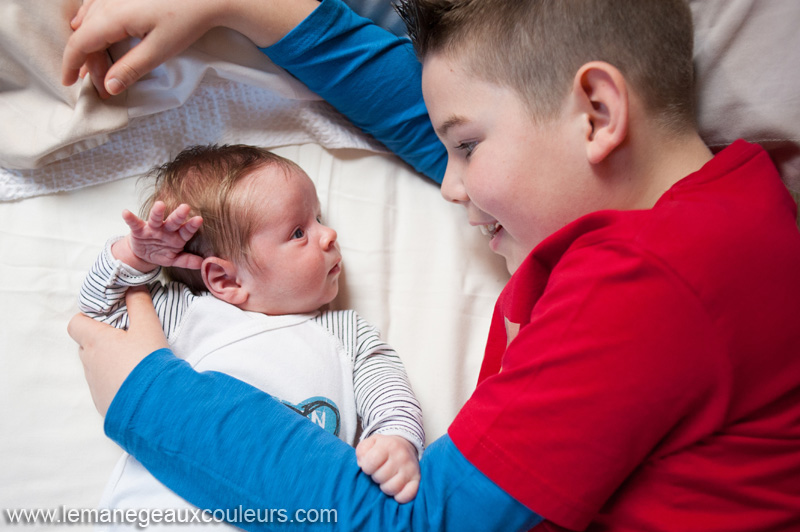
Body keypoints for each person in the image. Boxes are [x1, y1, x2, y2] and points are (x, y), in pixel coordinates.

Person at [64, 0, 800, 530]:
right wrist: (248, 8)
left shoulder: (648, 287)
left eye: (468, 148)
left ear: (599, 114)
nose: (451, 184)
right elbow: (463, 112)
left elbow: (411, 523)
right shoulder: (726, 207)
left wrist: (147, 395)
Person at [77, 144, 426, 525]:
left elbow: (390, 393)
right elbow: (99, 314)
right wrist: (135, 256)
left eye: (319, 218)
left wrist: (397, 440)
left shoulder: (346, 333)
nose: (328, 234)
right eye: (298, 232)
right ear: (225, 279)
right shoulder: (188, 313)